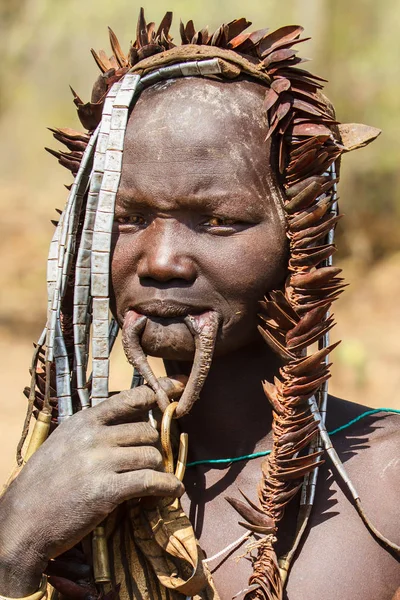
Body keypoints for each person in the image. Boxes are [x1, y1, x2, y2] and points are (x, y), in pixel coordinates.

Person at [0, 10, 398, 600]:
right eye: (128, 219)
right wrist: (14, 551)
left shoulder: (385, 487)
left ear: (303, 235)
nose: (160, 260)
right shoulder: (61, 488)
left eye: (217, 221)